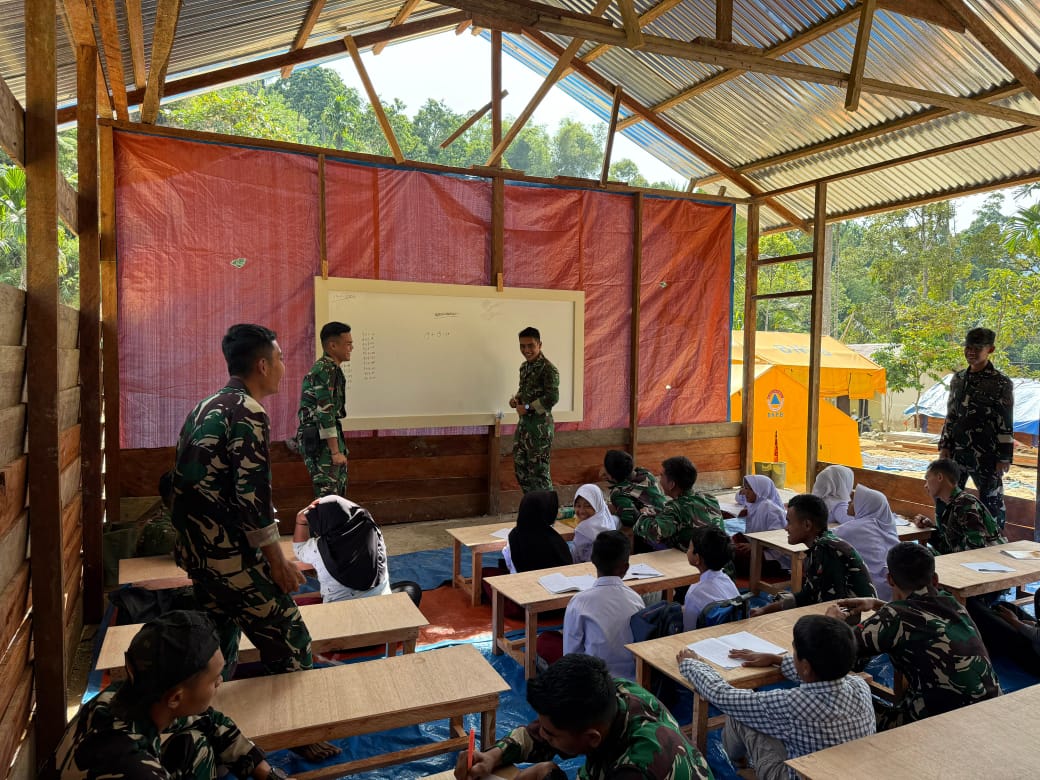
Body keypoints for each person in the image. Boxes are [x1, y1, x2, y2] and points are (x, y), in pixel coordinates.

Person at [169, 324, 336, 763]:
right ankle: (300, 732)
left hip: (199, 554)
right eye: (279, 358)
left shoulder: (204, 406)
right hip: (230, 557)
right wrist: (277, 562)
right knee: (291, 637)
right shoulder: (248, 413)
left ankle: (206, 734)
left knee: (217, 642)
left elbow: (179, 485)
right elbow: (252, 499)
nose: (283, 366)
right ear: (262, 365)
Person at [52, 611, 291, 779]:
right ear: (176, 698)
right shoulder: (135, 770)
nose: (220, 682)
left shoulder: (125, 697)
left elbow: (209, 721)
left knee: (196, 744)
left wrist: (267, 773)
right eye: (214, 679)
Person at [677, 615, 874, 780]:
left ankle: (739, 767)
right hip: (846, 772)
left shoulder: (793, 704)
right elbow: (821, 676)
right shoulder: (860, 686)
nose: (793, 656)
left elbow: (723, 695)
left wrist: (692, 665)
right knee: (751, 711)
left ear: (806, 666)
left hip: (798, 775)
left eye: (795, 652)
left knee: (741, 713)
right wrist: (777, 659)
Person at [829, 542, 1001, 730]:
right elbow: (917, 616)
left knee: (846, 701)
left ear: (890, 579)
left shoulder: (894, 618)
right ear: (935, 579)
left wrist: (832, 621)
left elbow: (837, 648)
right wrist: (878, 604)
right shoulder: (952, 603)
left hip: (941, 724)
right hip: (991, 710)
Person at [456, 653, 711, 780]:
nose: (542, 734)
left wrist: (549, 775)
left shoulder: (634, 770)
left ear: (592, 738)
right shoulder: (612, 693)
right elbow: (543, 733)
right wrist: (494, 755)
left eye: (551, 734)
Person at [538, 531, 646, 677]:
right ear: (626, 567)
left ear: (593, 560)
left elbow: (570, 654)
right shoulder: (636, 600)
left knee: (544, 641)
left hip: (593, 683)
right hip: (630, 681)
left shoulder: (579, 602)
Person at [938, 327, 1014, 529]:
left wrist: (1004, 456)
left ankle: (994, 540)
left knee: (991, 502)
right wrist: (945, 445)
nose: (971, 352)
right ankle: (948, 538)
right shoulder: (958, 379)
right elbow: (951, 414)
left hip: (987, 454)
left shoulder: (1000, 382)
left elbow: (1005, 420)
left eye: (977, 348)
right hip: (957, 451)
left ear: (990, 350)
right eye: (968, 347)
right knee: (947, 497)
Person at [752, 494, 875, 617]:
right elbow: (808, 594)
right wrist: (764, 610)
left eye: (789, 522)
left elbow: (834, 608)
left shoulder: (828, 550)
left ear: (807, 525)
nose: (786, 528)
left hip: (860, 621)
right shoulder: (819, 547)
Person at [292, 495, 390, 603]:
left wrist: (300, 520)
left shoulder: (319, 548)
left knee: (294, 602)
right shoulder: (373, 530)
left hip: (341, 607)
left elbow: (299, 549)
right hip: (381, 600)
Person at [296, 321, 353, 498]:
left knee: (337, 495)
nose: (351, 348)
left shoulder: (332, 369)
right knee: (328, 496)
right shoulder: (323, 370)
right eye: (348, 344)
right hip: (320, 441)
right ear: (333, 346)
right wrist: (335, 452)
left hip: (327, 437)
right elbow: (325, 411)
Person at [912, 458, 1005, 554]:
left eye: (927, 479)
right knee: (917, 552)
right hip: (971, 558)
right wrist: (930, 528)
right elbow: (948, 548)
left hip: (987, 559)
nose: (925, 485)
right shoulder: (953, 504)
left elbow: (976, 548)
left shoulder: (965, 503)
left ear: (939, 477)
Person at [633, 456, 724, 552]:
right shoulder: (710, 498)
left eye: (662, 476)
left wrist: (642, 516)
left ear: (671, 484)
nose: (659, 480)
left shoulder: (676, 507)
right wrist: (660, 514)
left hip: (694, 558)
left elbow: (655, 533)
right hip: (720, 555)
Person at [510, 326, 560, 493]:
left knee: (539, 474)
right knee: (521, 470)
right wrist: (516, 400)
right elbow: (525, 391)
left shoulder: (548, 369)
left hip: (540, 428)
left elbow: (552, 398)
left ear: (539, 344)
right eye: (522, 346)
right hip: (524, 426)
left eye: (530, 345)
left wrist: (527, 407)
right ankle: (532, 505)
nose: (526, 350)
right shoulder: (524, 367)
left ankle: (547, 507)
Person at [833, 485, 900, 601]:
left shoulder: (858, 528)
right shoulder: (887, 527)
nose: (849, 503)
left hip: (871, 591)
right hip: (892, 589)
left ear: (865, 506)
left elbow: (824, 536)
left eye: (854, 501)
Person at [683, 524, 740, 631]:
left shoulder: (695, 592)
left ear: (697, 559)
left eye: (689, 548)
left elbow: (688, 630)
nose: (687, 551)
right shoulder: (727, 580)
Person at [732, 474, 789, 577]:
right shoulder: (754, 503)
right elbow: (739, 497)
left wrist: (754, 547)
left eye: (750, 489)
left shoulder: (770, 509)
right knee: (732, 540)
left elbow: (777, 538)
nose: (746, 492)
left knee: (734, 555)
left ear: (761, 491)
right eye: (745, 488)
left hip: (772, 557)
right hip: (757, 545)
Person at [502, 490, 572, 574]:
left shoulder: (514, 534)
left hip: (519, 580)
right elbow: (568, 567)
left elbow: (509, 563)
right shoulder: (554, 541)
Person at [602, 449, 667, 530]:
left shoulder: (618, 493)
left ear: (611, 476)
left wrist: (616, 510)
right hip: (667, 511)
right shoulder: (645, 473)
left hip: (657, 528)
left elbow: (630, 519)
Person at [571, 484, 618, 564]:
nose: (581, 511)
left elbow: (577, 556)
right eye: (578, 506)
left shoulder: (583, 529)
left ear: (597, 505)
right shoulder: (608, 520)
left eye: (587, 506)